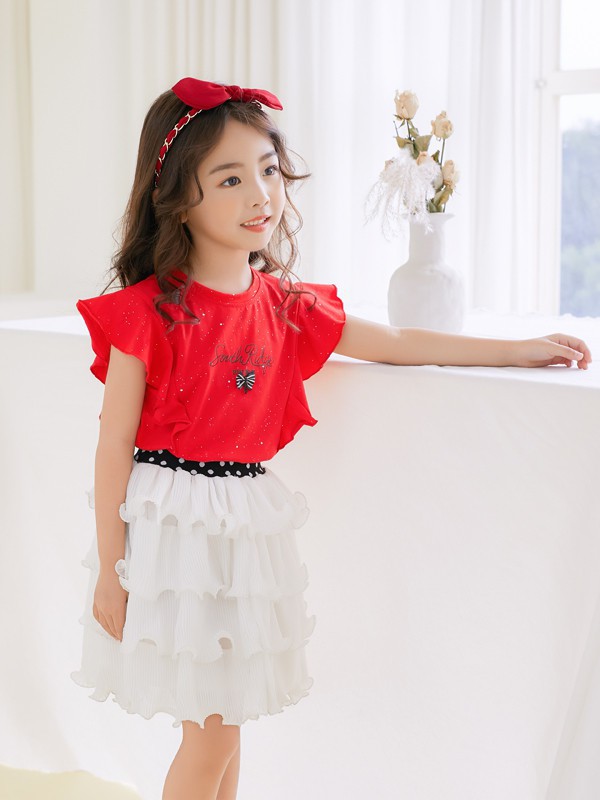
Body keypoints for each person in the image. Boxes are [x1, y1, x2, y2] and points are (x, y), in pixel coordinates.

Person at [70, 78, 592, 800]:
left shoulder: (285, 305)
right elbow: (112, 448)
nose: (261, 194)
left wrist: (520, 350)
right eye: (230, 178)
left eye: (269, 170)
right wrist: (112, 567)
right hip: (174, 528)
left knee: (229, 721)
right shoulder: (148, 313)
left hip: (243, 525)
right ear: (179, 199)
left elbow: (398, 342)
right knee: (212, 731)